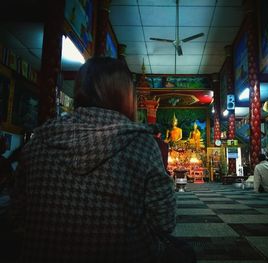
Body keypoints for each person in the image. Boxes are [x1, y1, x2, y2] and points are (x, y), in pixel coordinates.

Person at [11, 57, 195, 263]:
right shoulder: (141, 143)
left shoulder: (39, 140)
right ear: (126, 95)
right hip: (122, 254)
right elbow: (165, 221)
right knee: (184, 252)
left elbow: (17, 213)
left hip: (41, 254)